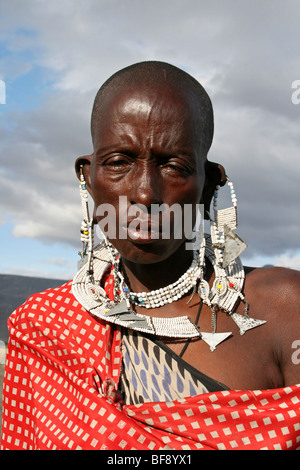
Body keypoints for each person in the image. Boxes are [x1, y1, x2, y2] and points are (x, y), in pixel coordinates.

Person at [1, 61, 300, 451]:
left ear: (209, 185)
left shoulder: (283, 310)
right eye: (119, 163)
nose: (145, 194)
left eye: (174, 166)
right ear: (87, 178)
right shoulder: (44, 329)